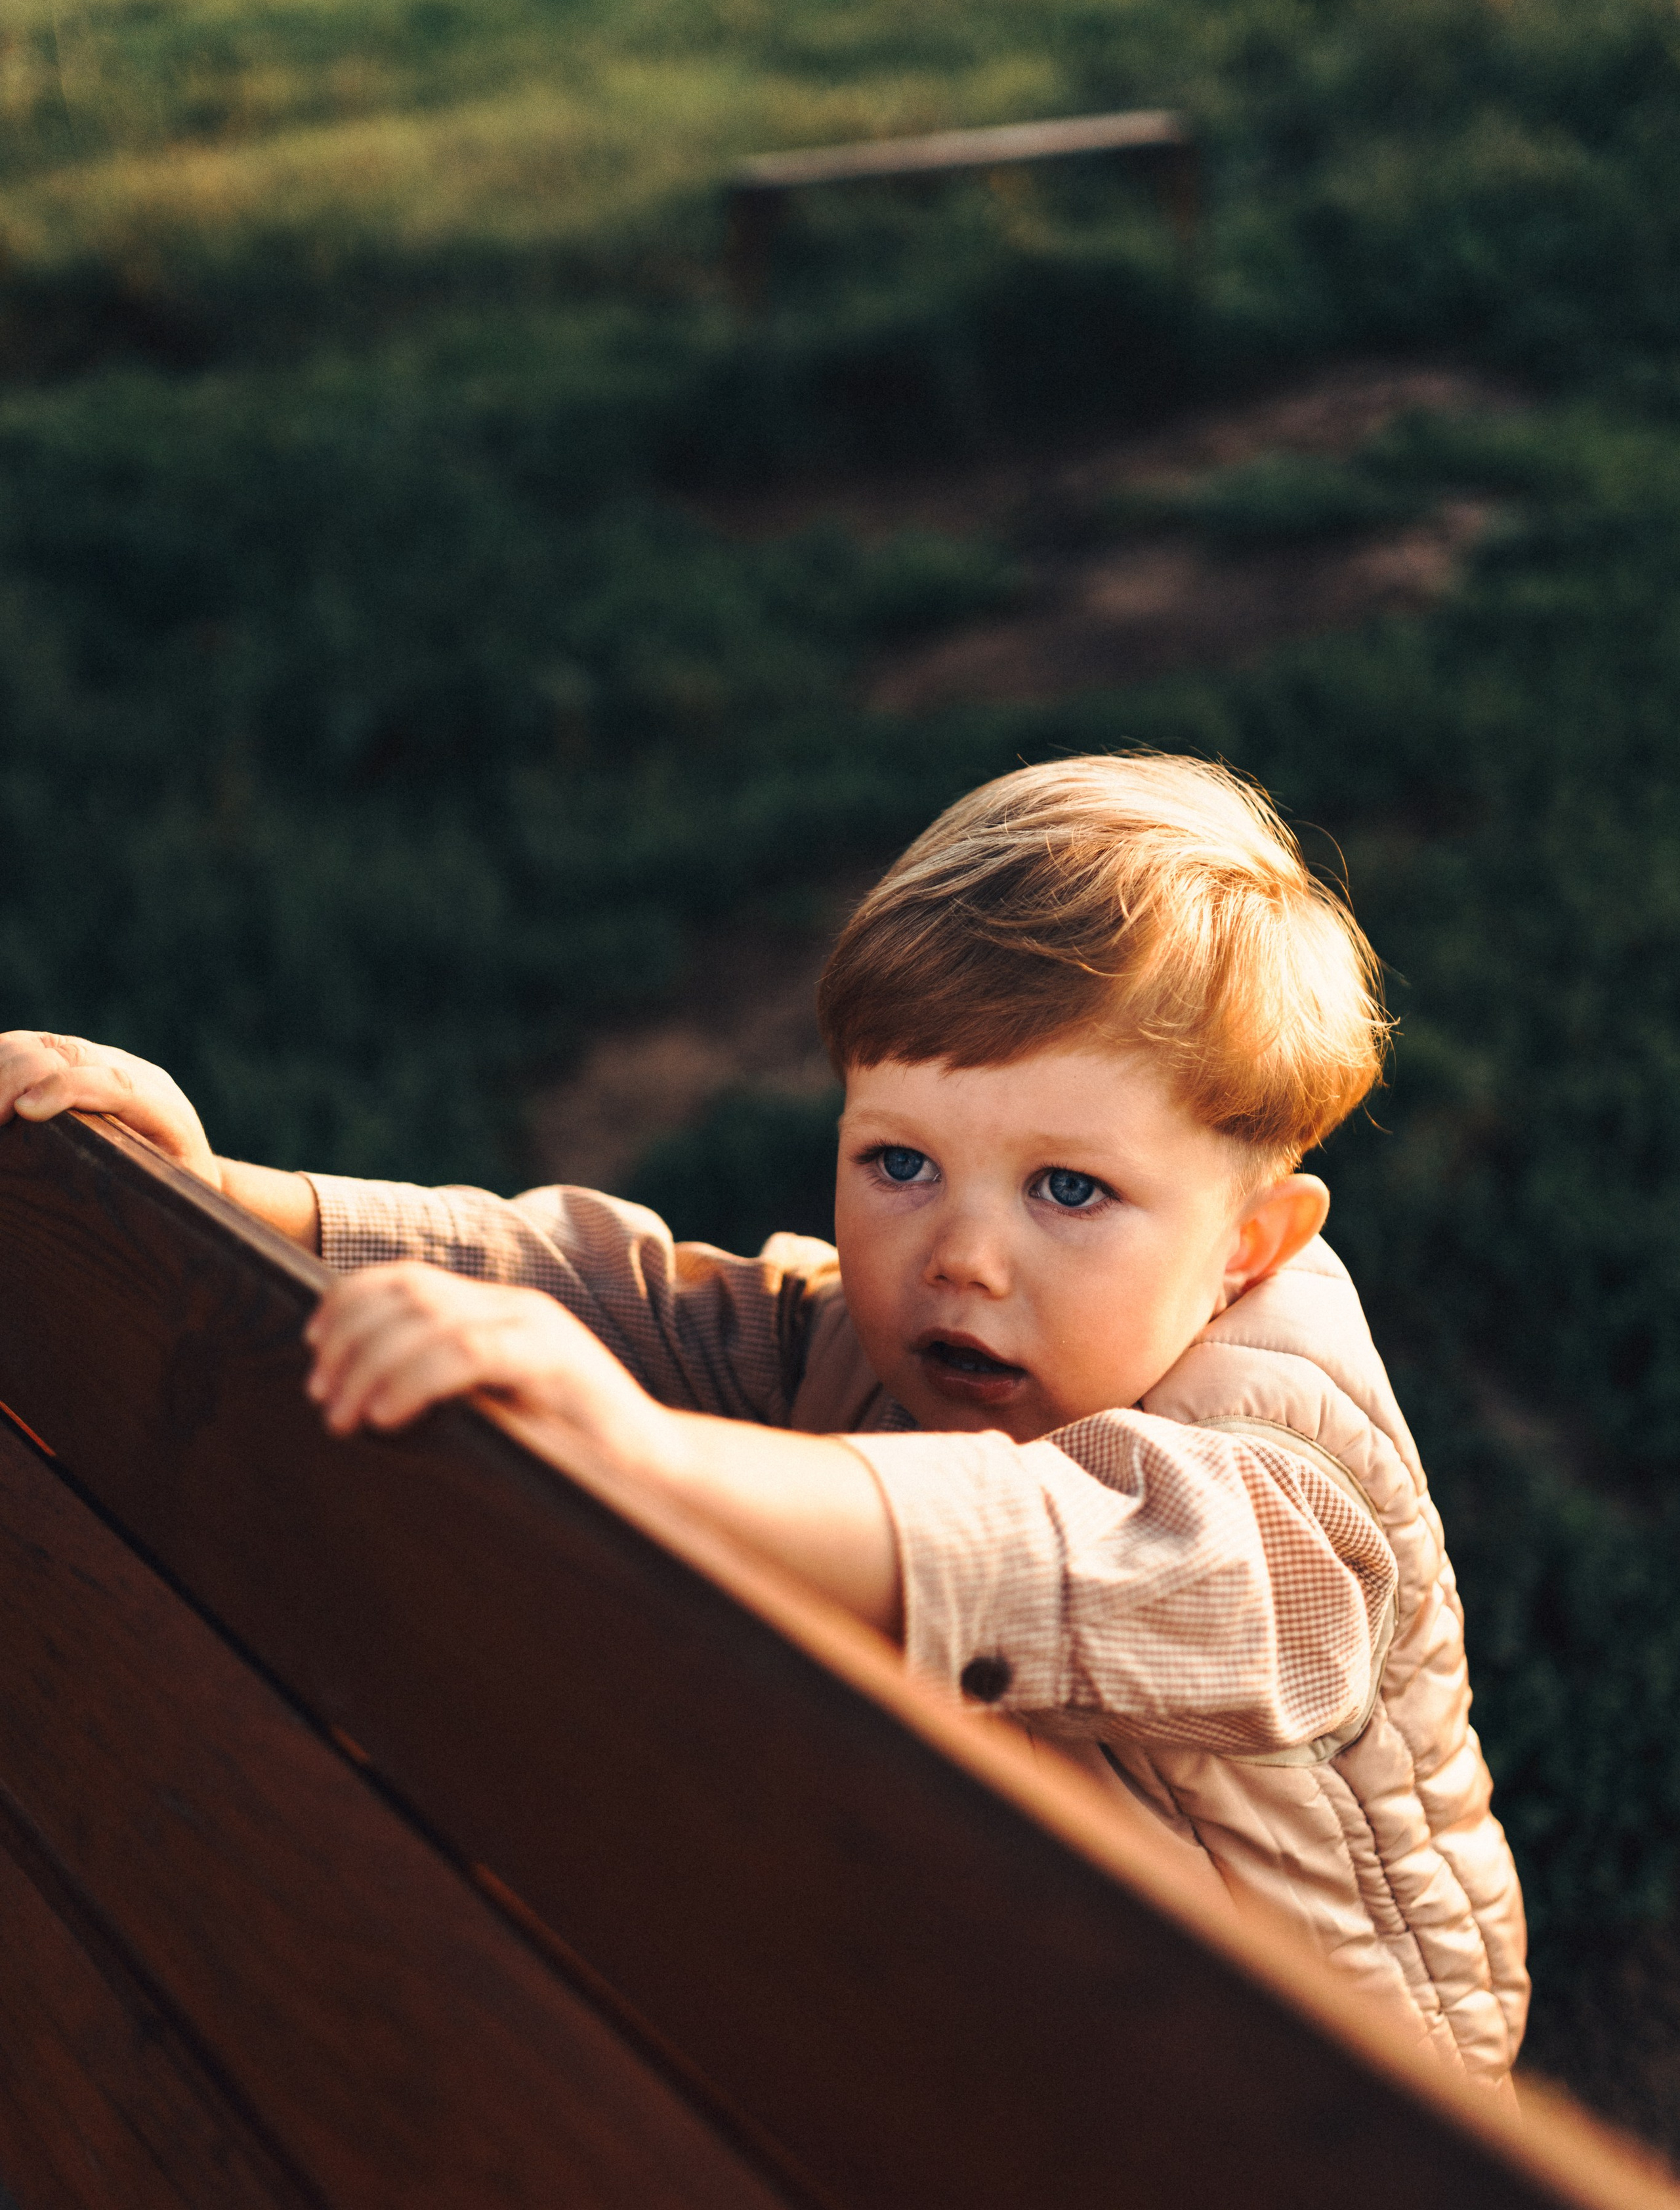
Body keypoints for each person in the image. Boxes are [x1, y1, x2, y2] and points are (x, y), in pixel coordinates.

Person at [0, 754, 1528, 2083]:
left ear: (1249, 1245)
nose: (961, 1255)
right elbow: (614, 1289)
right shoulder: (872, 1342)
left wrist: (647, 1458)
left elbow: (1042, 1543)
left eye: (1068, 1190)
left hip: (1342, 2148)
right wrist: (229, 1195)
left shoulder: (1285, 1506)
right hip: (1043, 2037)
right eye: (899, 1163)